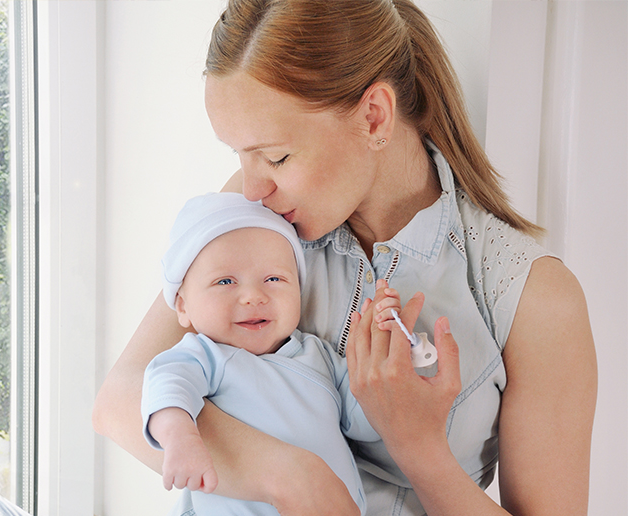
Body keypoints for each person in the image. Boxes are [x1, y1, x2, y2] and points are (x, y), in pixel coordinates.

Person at [92, 1, 598, 515]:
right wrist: (291, 476)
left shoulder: (532, 297)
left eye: (277, 157)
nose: (251, 186)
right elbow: (120, 400)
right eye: (239, 156)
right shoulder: (256, 218)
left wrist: (419, 448)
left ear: (374, 116)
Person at [144, 192, 407, 515]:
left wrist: (382, 344)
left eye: (274, 278)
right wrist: (179, 436)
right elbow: (165, 388)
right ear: (183, 305)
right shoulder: (205, 356)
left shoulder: (317, 356)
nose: (254, 296)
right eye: (225, 281)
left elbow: (365, 424)